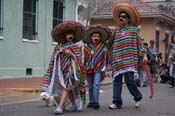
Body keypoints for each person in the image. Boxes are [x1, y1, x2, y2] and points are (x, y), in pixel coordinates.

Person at [42, 21, 86, 114]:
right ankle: (74, 105)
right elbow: (53, 58)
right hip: (62, 71)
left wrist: (71, 54)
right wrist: (58, 52)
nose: (70, 36)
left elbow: (78, 59)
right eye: (68, 34)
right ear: (64, 36)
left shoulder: (75, 46)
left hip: (72, 70)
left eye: (72, 34)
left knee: (66, 86)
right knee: (68, 87)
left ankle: (61, 107)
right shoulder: (59, 46)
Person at [108, 2, 145, 109]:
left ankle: (137, 97)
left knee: (129, 81)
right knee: (117, 82)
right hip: (117, 60)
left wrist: (144, 55)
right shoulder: (116, 32)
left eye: (123, 16)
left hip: (129, 60)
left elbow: (140, 43)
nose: (121, 18)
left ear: (128, 19)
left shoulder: (134, 30)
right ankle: (117, 102)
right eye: (120, 16)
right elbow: (110, 44)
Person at [83, 24, 111, 109]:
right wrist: (84, 67)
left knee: (96, 84)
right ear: (91, 37)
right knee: (90, 86)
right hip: (89, 69)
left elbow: (108, 57)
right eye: (94, 36)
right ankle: (91, 101)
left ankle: (96, 102)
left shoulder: (103, 46)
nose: (96, 38)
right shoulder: (87, 47)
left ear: (100, 38)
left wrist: (107, 52)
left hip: (98, 68)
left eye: (98, 36)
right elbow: (85, 59)